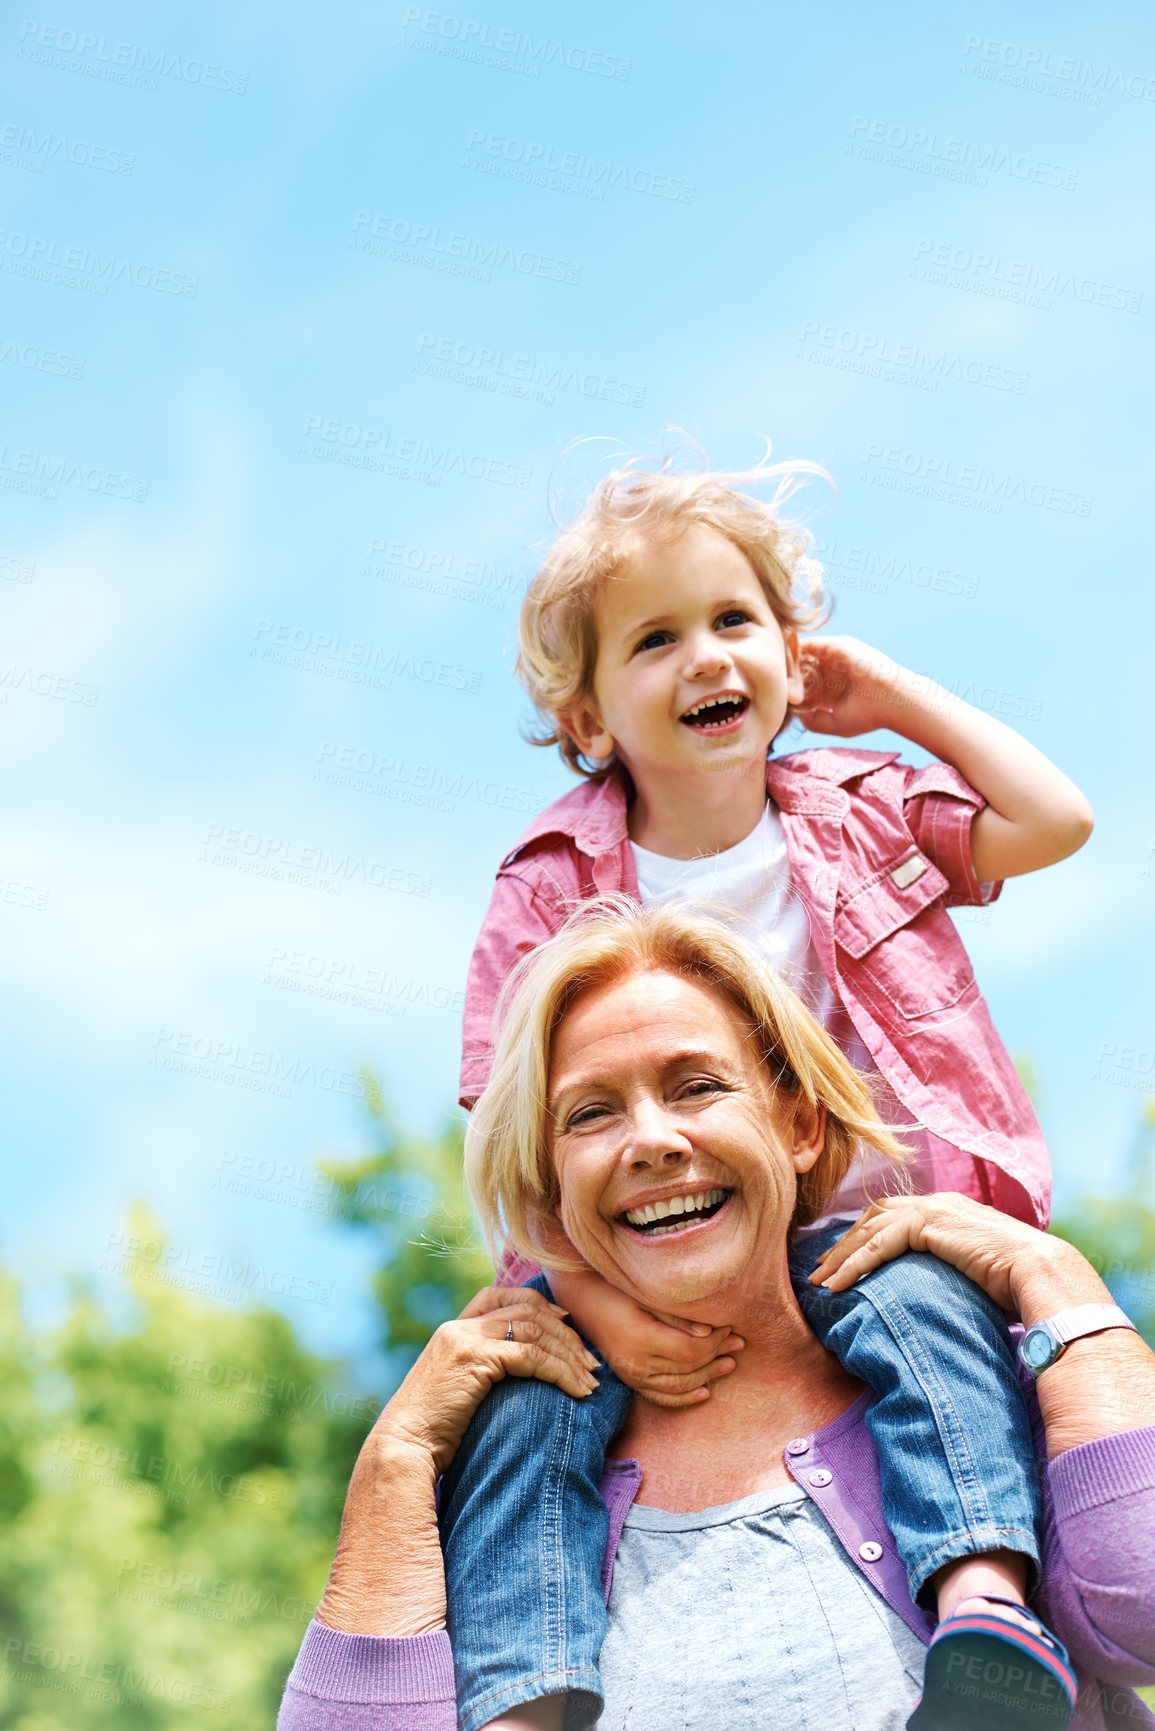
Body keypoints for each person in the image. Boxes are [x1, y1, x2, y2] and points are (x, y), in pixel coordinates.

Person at [449, 450, 1095, 1721]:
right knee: (528, 1413)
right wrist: (590, 1297)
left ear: (792, 656)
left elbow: (1056, 821)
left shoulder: (855, 813)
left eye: (735, 621)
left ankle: (982, 1613)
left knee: (928, 1326)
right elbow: (511, 1115)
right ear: (587, 720)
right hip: (651, 1250)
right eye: (655, 640)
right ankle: (530, 1690)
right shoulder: (547, 883)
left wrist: (894, 698)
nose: (706, 658)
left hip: (881, 1224)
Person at [277, 903, 1155, 1731]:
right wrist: (396, 1463)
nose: (652, 1140)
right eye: (590, 1112)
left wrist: (1055, 1275)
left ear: (801, 1126)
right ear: (549, 1205)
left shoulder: (985, 1375)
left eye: (696, 1085)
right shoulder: (506, 1476)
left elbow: (1142, 1608)